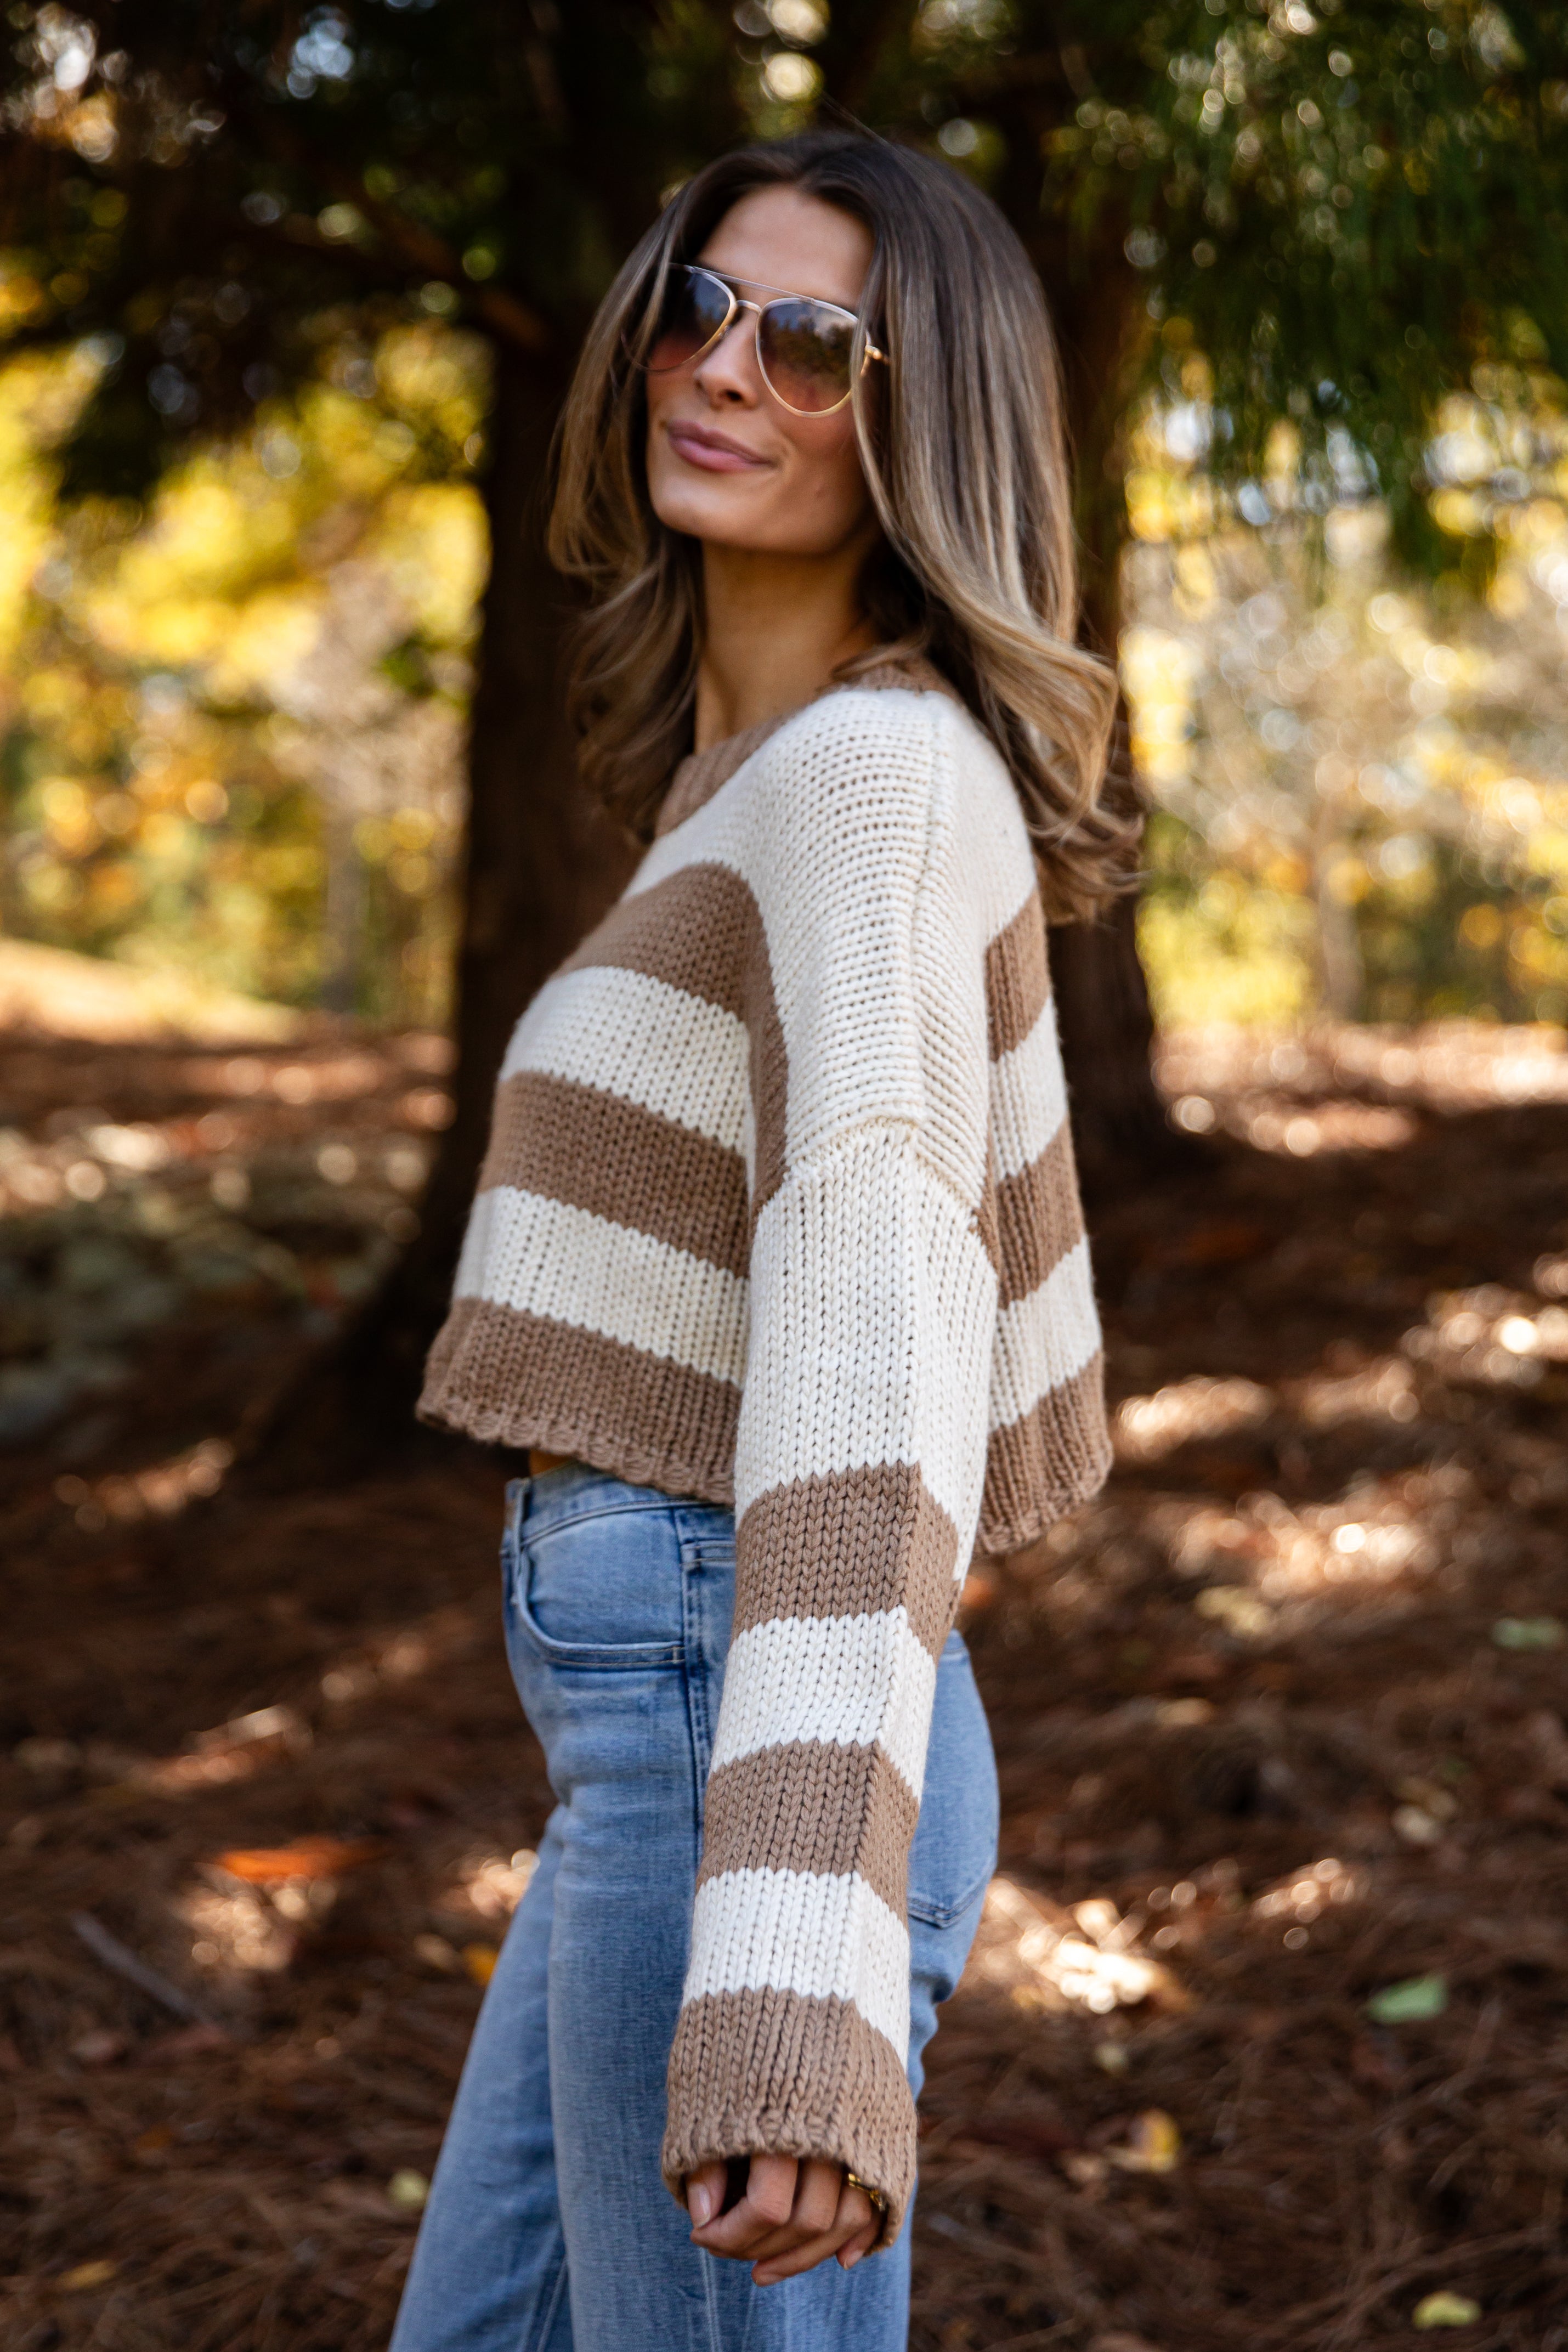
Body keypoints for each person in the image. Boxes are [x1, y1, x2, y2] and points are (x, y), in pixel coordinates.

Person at [392, 127, 1125, 2352]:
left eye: (814, 340)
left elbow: (878, 1317)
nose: (727, 368)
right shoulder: (753, 780)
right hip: (667, 1724)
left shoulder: (869, 784)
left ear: (933, 413)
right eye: (704, 307)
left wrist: (797, 1966)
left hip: (750, 1723)